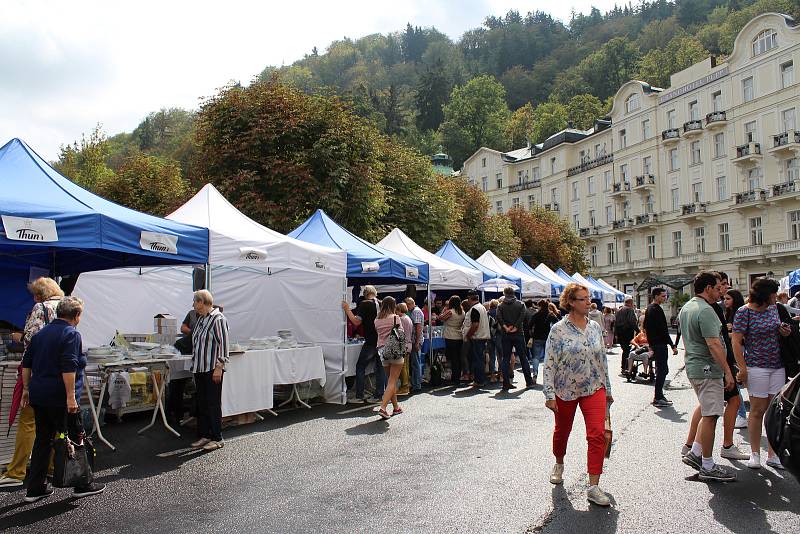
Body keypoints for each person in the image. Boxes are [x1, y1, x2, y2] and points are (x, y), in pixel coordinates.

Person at [21, 296, 105, 502]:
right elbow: (69, 367)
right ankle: (82, 483)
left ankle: (35, 487)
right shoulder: (71, 334)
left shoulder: (40, 335)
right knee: (76, 437)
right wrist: (70, 397)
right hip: (60, 396)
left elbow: (26, 363)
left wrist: (25, 389)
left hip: (39, 395)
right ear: (76, 316)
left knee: (42, 440)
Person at [543, 283, 613, 506]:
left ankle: (593, 486)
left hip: (594, 387)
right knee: (562, 431)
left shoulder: (594, 327)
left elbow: (602, 360)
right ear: (571, 302)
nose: (588, 302)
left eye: (588, 298)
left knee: (596, 434)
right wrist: (549, 394)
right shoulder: (558, 330)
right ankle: (559, 462)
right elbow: (549, 362)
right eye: (583, 299)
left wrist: (608, 389)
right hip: (566, 389)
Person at [0, 277, 65, 489]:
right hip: (62, 374)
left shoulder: (40, 308)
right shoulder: (67, 306)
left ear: (39, 294)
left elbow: (32, 341)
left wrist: (19, 337)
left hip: (39, 373)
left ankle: (16, 472)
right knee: (56, 424)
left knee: (28, 422)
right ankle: (54, 466)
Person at [680, 271, 737, 482]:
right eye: (717, 287)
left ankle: (696, 453)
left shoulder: (687, 307)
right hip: (708, 369)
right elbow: (714, 344)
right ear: (708, 288)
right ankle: (707, 465)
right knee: (711, 416)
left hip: (695, 366)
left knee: (707, 412)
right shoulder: (705, 310)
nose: (720, 291)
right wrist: (728, 371)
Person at [732, 277, 790, 470]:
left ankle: (773, 455)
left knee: (775, 413)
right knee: (757, 411)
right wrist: (743, 368)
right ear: (765, 295)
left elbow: (779, 331)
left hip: (778, 365)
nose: (776, 296)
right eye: (774, 293)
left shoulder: (774, 309)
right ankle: (755, 454)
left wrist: (784, 331)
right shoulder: (744, 312)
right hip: (756, 366)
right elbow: (736, 341)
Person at [190, 290, 230, 451]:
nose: (193, 305)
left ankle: (217, 438)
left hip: (212, 368)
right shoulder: (201, 319)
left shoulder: (218, 319)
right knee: (203, 403)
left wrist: (219, 367)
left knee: (213, 403)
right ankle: (205, 435)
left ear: (202, 302)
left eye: (195, 301)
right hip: (200, 368)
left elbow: (224, 344)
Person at [342, 286, 384, 403]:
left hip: (371, 341)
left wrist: (347, 310)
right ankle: (379, 395)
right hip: (382, 340)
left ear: (365, 294)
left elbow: (356, 321)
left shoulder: (365, 304)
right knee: (380, 369)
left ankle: (359, 396)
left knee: (360, 367)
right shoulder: (382, 303)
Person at [643, 288, 678, 407]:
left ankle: (659, 395)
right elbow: (663, 330)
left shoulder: (650, 308)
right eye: (663, 296)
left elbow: (646, 327)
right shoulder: (655, 309)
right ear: (656, 296)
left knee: (662, 369)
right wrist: (672, 345)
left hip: (656, 343)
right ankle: (658, 396)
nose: (665, 298)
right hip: (659, 344)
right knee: (663, 370)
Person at [374, 297, 406, 419]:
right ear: (393, 305)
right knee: (393, 381)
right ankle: (383, 407)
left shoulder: (377, 319)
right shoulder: (395, 317)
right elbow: (400, 333)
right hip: (395, 349)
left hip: (382, 350)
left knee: (390, 381)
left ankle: (396, 407)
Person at [497, 287, 534, 390]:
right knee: (523, 357)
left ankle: (506, 382)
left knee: (505, 358)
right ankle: (529, 381)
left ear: (504, 293)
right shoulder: (520, 304)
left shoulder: (500, 306)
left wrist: (505, 327)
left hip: (506, 334)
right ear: (513, 293)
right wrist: (516, 326)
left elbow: (498, 317)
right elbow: (522, 316)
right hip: (518, 333)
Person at [723, 289, 748, 429]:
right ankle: (740, 413)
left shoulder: (740, 313)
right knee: (736, 385)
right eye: (725, 298)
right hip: (732, 352)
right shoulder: (728, 313)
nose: (725, 301)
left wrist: (728, 333)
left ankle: (742, 414)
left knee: (736, 385)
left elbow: (741, 336)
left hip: (740, 351)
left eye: (728, 299)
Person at [463, 291, 491, 388]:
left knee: (477, 360)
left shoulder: (475, 309)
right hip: (482, 336)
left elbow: (475, 324)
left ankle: (479, 380)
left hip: (477, 337)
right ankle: (480, 379)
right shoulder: (482, 307)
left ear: (470, 299)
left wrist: (468, 335)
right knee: (480, 359)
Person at [530, 299, 558, 383]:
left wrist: (531, 334)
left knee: (536, 357)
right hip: (548, 338)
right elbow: (557, 324)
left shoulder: (536, 314)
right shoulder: (551, 315)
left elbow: (530, 325)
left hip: (537, 337)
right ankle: (548, 377)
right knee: (548, 358)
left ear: (540, 306)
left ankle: (535, 374)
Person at [439, 296, 464, 386]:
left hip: (450, 335)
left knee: (453, 359)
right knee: (458, 358)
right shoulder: (462, 312)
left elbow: (440, 318)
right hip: (459, 335)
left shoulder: (450, 312)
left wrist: (445, 309)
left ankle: (455, 378)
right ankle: (457, 377)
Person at [404, 298, 425, 393]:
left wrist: (416, 342)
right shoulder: (415, 311)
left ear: (410, 304)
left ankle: (416, 385)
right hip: (415, 340)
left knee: (415, 363)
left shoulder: (416, 312)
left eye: (407, 306)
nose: (406, 308)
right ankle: (417, 382)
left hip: (415, 340)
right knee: (416, 362)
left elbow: (418, 327)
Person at [614, 299, 638, 376]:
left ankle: (624, 367)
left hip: (620, 333)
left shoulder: (619, 310)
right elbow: (632, 321)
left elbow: (616, 323)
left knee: (625, 350)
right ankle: (626, 367)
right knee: (628, 350)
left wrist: (616, 334)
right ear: (630, 303)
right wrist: (638, 330)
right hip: (627, 332)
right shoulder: (630, 310)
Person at [395, 302, 413, 396]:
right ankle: (407, 385)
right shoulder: (408, 318)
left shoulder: (401, 319)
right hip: (408, 344)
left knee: (402, 367)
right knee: (406, 366)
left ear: (399, 310)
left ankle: (404, 387)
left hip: (403, 345)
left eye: (396, 310)